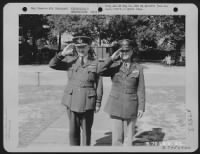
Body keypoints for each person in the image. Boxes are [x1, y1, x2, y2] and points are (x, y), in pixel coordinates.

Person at [49, 36, 103, 146]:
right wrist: (62, 54)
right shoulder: (70, 61)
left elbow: (99, 85)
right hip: (72, 100)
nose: (81, 50)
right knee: (73, 132)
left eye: (83, 47)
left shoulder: (96, 63)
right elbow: (52, 64)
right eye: (78, 47)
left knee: (86, 132)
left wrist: (98, 103)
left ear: (89, 47)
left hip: (88, 101)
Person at [98, 39, 145, 146]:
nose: (124, 53)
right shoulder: (114, 66)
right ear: (119, 52)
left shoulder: (138, 68)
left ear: (132, 51)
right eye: (122, 51)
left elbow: (141, 88)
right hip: (116, 105)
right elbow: (99, 71)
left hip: (131, 105)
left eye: (127, 51)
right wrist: (111, 59)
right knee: (116, 139)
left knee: (128, 139)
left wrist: (141, 107)